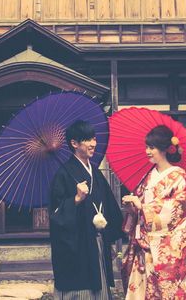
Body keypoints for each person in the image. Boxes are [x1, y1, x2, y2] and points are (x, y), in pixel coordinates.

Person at [121, 125, 186, 300]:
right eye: (147, 147)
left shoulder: (178, 177)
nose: (147, 151)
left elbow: (177, 209)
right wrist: (133, 208)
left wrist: (143, 207)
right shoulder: (148, 176)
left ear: (164, 149)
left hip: (168, 247)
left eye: (152, 147)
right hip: (144, 245)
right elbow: (140, 209)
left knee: (170, 292)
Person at [49, 119, 124, 300]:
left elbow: (109, 205)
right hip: (77, 246)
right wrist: (75, 200)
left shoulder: (95, 172)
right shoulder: (63, 174)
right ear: (74, 144)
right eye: (87, 139)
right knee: (81, 289)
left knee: (100, 287)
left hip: (98, 241)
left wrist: (110, 234)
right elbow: (55, 215)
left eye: (94, 138)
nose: (93, 144)